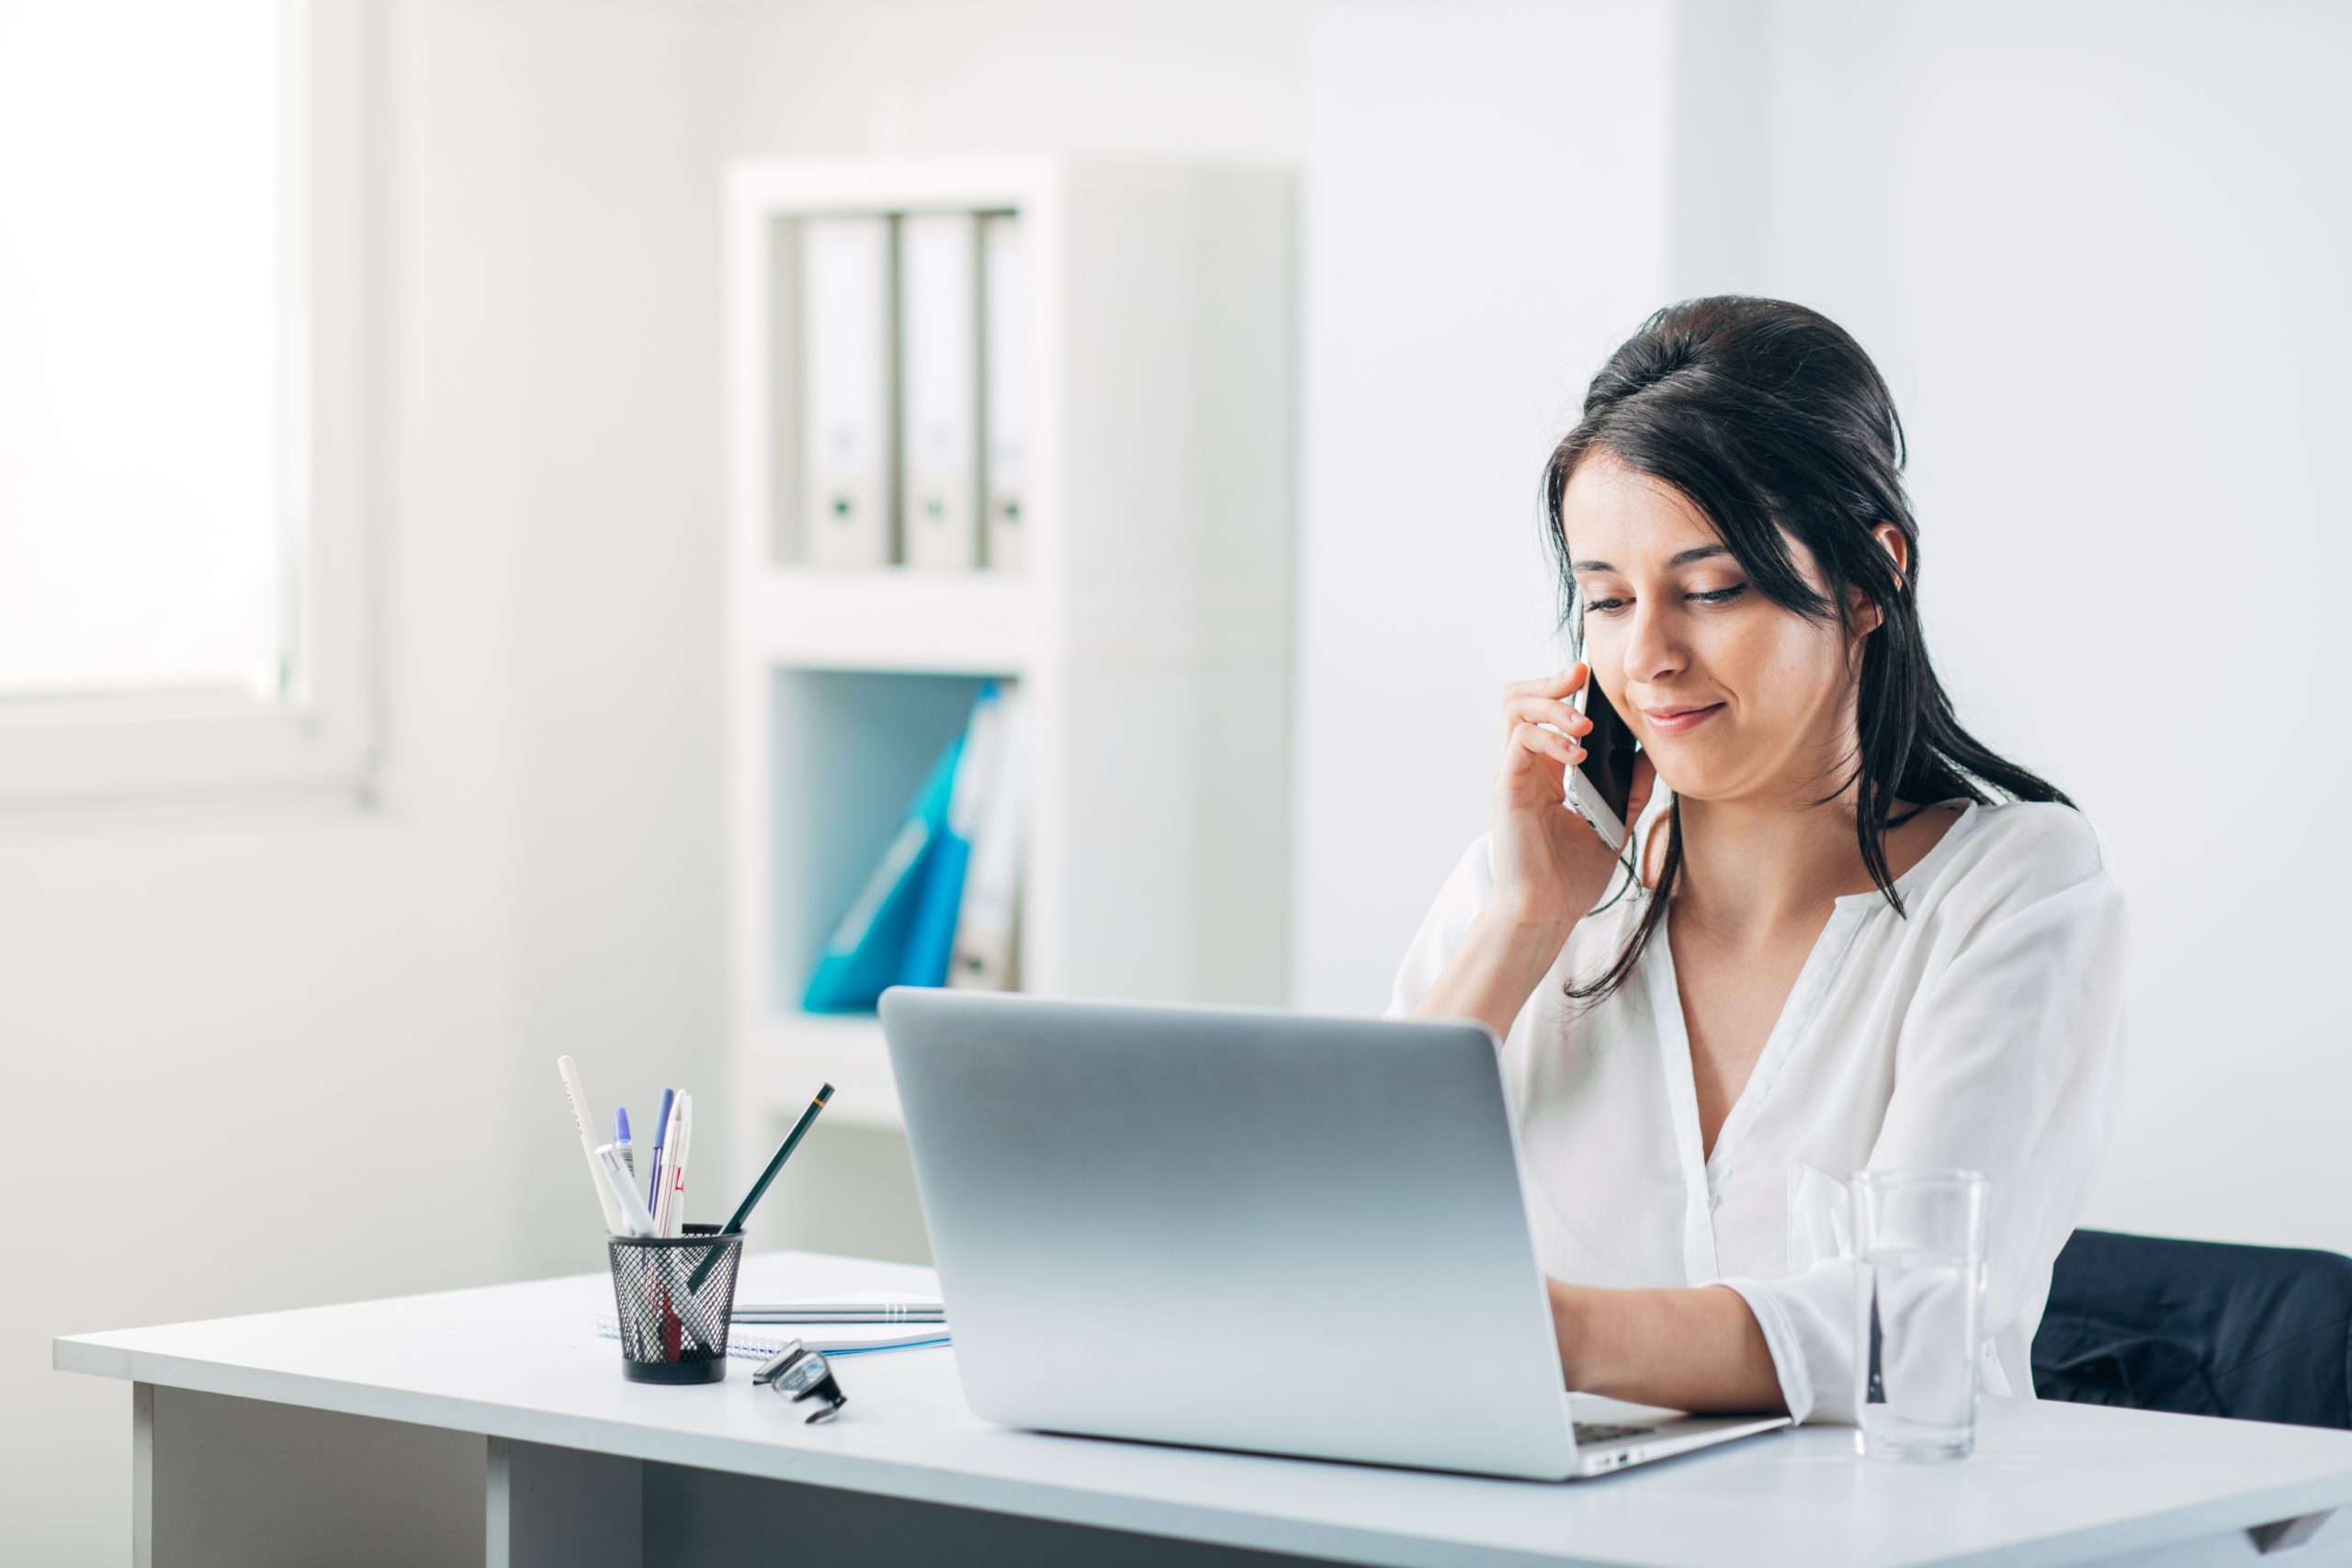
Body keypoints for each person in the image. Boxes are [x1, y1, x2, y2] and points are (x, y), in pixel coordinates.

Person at [1383, 297, 2129, 1425]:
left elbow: (1911, 1322)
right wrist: (1523, 926)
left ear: (1870, 579)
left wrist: (1546, 1330)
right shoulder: (1529, 884)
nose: (1649, 658)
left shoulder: (2017, 890)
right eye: (1605, 599)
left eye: (1712, 589)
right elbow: (1340, 1236)